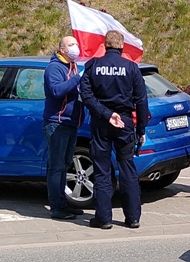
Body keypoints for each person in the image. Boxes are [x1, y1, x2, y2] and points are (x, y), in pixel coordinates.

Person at [79, 30, 148, 230]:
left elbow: (86, 96)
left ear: (105, 45)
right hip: (125, 123)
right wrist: (141, 129)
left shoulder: (93, 66)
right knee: (127, 168)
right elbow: (141, 100)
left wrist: (106, 114)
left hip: (102, 122)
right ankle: (133, 218)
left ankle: (104, 219)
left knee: (102, 170)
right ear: (122, 46)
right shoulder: (131, 68)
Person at [43, 35, 84, 219]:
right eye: (71, 44)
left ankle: (63, 202)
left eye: (76, 44)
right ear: (62, 49)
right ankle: (57, 207)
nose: (75, 47)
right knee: (57, 166)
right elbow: (57, 90)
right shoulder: (54, 68)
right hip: (57, 123)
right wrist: (78, 79)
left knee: (65, 164)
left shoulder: (73, 66)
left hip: (72, 123)